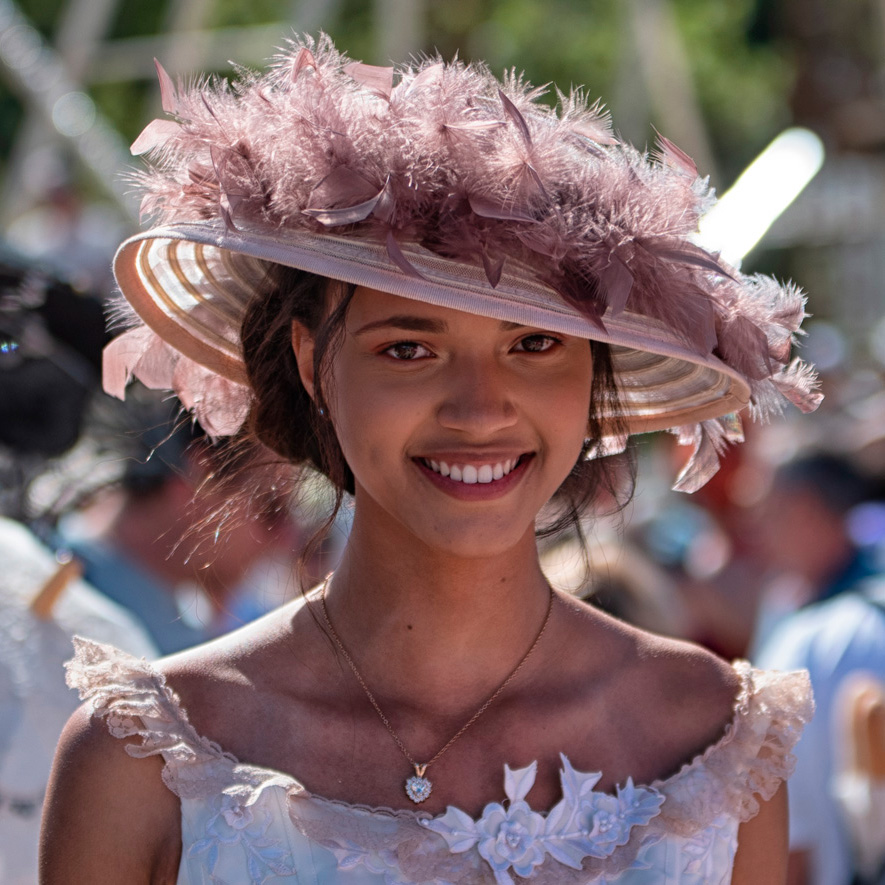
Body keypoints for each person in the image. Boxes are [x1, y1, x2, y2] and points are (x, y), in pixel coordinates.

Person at [40, 35, 821, 884]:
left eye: (532, 343)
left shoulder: (711, 745)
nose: (481, 408)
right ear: (312, 365)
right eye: (408, 348)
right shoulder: (148, 761)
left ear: (591, 377)